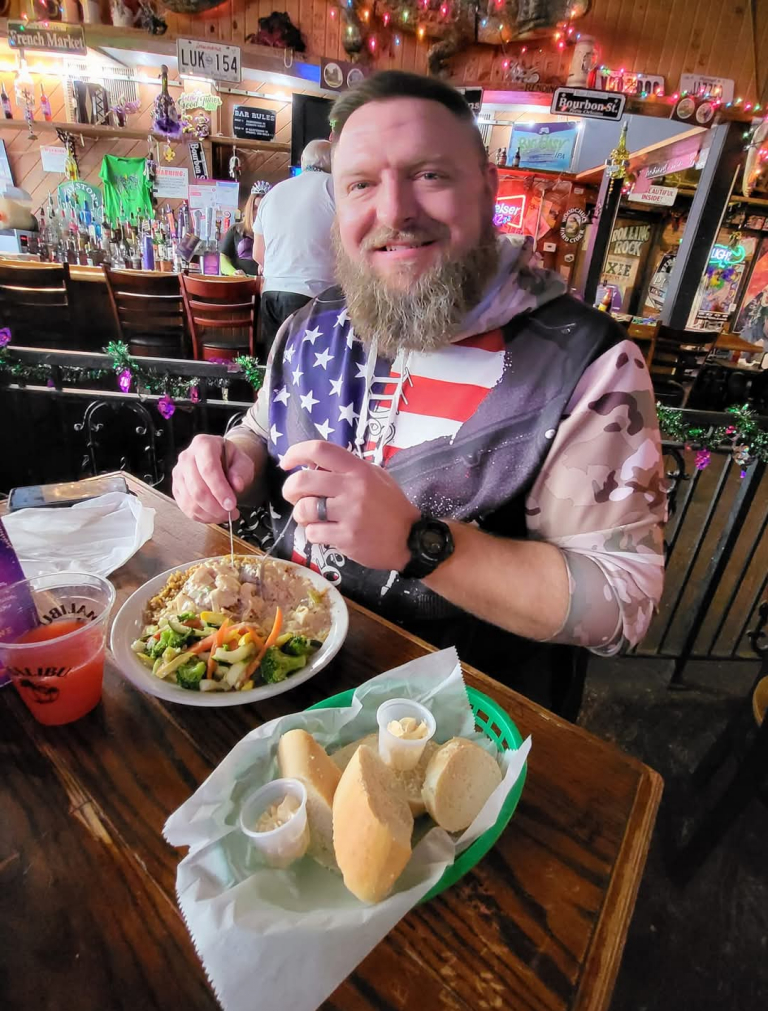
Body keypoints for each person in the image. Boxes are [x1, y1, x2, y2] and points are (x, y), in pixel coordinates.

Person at [172, 71, 665, 708]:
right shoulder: (307, 326)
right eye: (360, 184)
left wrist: (420, 543)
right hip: (278, 683)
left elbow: (622, 601)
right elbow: (264, 427)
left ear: (487, 190)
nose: (394, 210)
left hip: (465, 730)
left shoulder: (590, 364)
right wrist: (235, 457)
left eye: (429, 174)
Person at [252, 139, 337, 350]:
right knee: (305, 372)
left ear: (303, 161)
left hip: (271, 294)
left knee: (276, 369)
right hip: (312, 294)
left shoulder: (273, 193)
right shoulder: (335, 188)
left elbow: (257, 254)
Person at [220, 181, 271, 277]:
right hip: (240, 284)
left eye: (263, 208)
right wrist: (234, 272)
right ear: (249, 209)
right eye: (255, 208)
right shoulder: (235, 230)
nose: (258, 213)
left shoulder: (275, 234)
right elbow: (223, 259)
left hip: (264, 285)